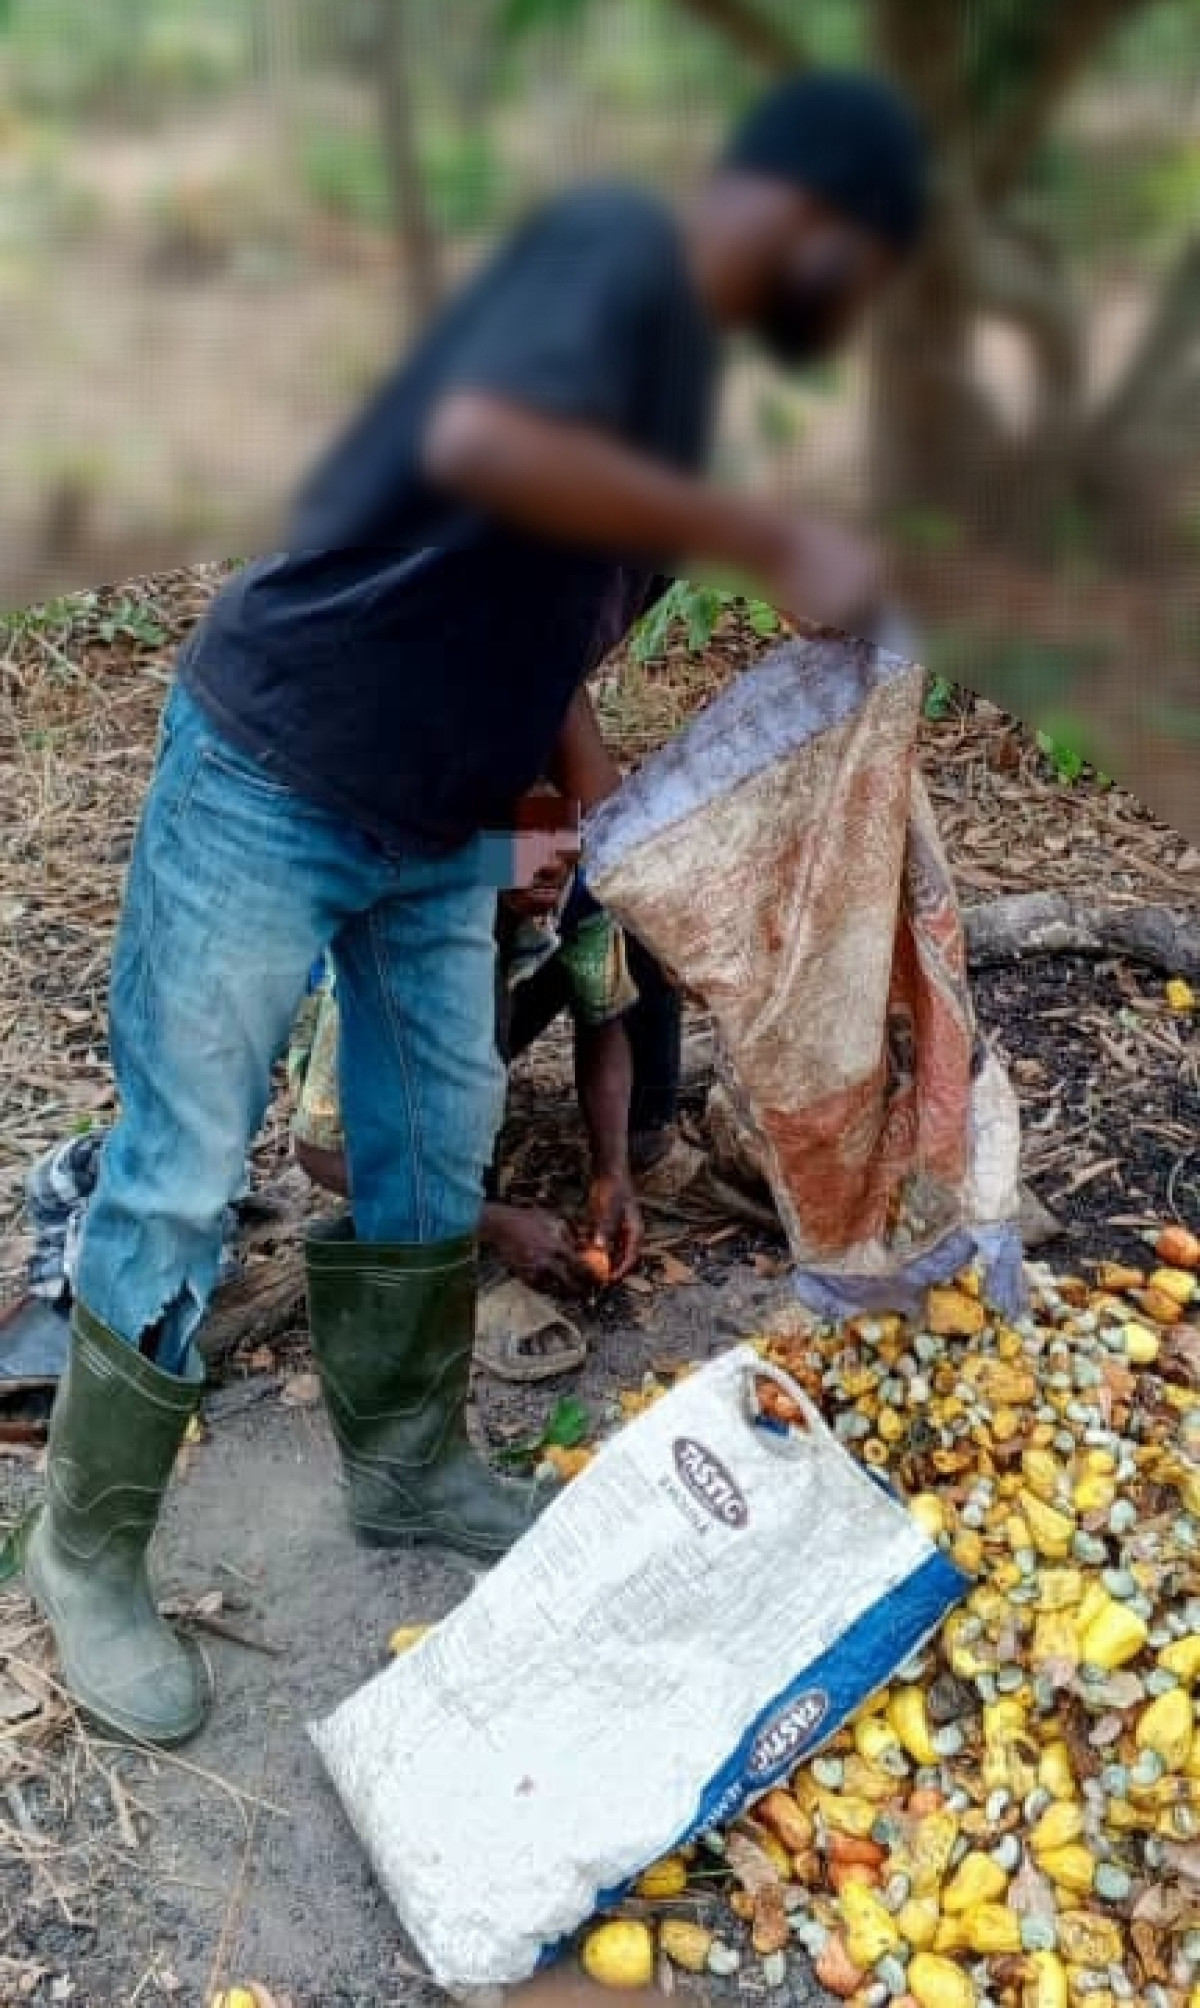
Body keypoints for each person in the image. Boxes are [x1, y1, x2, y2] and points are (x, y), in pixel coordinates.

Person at [22, 68, 929, 1745]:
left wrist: (605, 803)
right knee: (183, 1167)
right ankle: (82, 1551)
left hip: (441, 820)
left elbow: (549, 614)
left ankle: (407, 1462)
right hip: (274, 769)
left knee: (435, 1147)